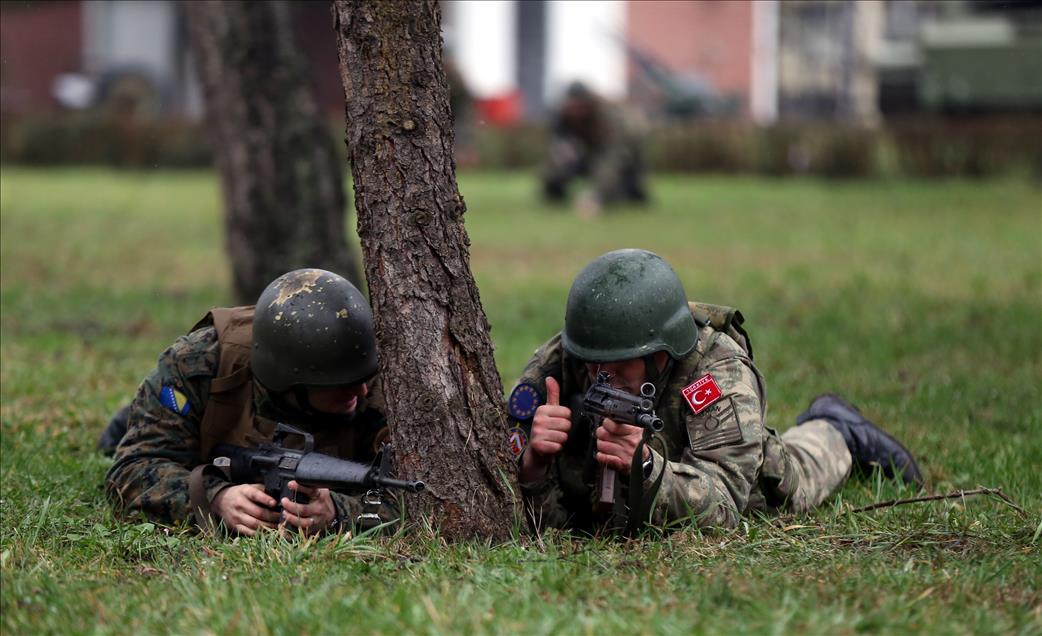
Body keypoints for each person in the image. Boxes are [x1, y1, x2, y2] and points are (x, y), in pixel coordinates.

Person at [507, 249, 923, 534]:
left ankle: (835, 425)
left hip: (746, 476)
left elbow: (724, 507)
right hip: (610, 499)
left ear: (662, 355)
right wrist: (533, 466)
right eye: (594, 364)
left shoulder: (717, 373)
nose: (603, 376)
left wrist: (648, 468)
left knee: (801, 471)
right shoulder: (559, 365)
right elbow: (525, 506)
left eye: (620, 367)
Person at [104, 268, 399, 537]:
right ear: (289, 380)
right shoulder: (198, 363)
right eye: (340, 386)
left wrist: (339, 513)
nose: (360, 390)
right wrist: (215, 498)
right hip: (193, 419)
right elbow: (130, 471)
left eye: (364, 377)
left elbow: (415, 498)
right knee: (118, 435)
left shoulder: (384, 390)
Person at [542, 81, 648, 217]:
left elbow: (613, 158)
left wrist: (596, 194)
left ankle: (618, 193)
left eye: (580, 106)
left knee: (627, 191)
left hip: (625, 155)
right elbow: (559, 147)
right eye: (572, 106)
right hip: (589, 151)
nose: (576, 112)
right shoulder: (562, 117)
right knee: (558, 167)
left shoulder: (609, 118)